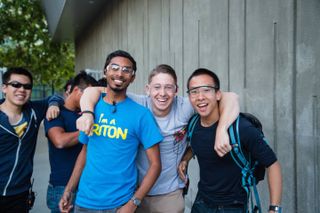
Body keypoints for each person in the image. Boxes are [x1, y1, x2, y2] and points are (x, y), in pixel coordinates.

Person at [76, 64, 239, 213]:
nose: (162, 93)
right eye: (157, 87)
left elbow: (230, 97)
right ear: (148, 89)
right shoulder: (136, 103)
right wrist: (87, 114)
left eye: (169, 88)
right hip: (135, 192)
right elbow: (91, 91)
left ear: (176, 90)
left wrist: (222, 130)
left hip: (169, 193)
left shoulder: (185, 106)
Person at [59, 50, 163, 213]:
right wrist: (69, 190)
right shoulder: (91, 108)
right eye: (115, 67)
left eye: (126, 70)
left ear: (133, 77)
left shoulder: (142, 115)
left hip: (120, 204)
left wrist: (133, 203)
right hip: (84, 202)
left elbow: (156, 165)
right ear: (105, 71)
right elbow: (84, 153)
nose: (120, 73)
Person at [178, 68, 282, 213]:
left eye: (206, 90)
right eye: (194, 91)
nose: (200, 97)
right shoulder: (193, 124)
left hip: (233, 206)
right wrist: (186, 158)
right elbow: (196, 145)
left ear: (218, 94)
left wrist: (274, 209)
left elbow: (272, 164)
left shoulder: (241, 128)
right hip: (201, 202)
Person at [0, 67, 63, 212]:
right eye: (16, 85)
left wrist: (53, 104)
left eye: (27, 86)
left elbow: (56, 97)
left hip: (19, 195)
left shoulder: (34, 111)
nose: (22, 89)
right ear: (4, 88)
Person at [44, 71, 98, 213]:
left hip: (87, 185)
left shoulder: (88, 113)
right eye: (89, 95)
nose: (91, 100)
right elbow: (60, 141)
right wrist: (88, 127)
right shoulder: (55, 112)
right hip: (62, 187)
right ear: (76, 90)